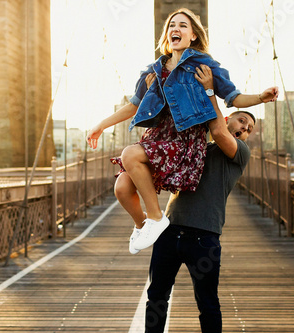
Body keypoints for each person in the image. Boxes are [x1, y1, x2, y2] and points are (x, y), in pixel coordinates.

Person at [86, 8, 278, 254]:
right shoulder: (153, 71)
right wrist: (101, 125)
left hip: (184, 142)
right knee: (122, 188)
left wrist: (261, 97)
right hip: (157, 138)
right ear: (167, 35)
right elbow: (134, 105)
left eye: (183, 25)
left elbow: (234, 97)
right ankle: (143, 224)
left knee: (130, 154)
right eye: (171, 25)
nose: (175, 29)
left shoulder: (205, 66)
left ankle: (156, 218)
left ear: (193, 36)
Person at [143, 65, 264, 333]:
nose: (244, 130)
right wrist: (156, 88)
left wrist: (210, 89)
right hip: (169, 231)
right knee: (156, 298)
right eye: (242, 121)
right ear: (231, 117)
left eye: (249, 129)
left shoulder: (239, 153)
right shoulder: (194, 145)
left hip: (204, 238)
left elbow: (219, 131)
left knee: (207, 302)